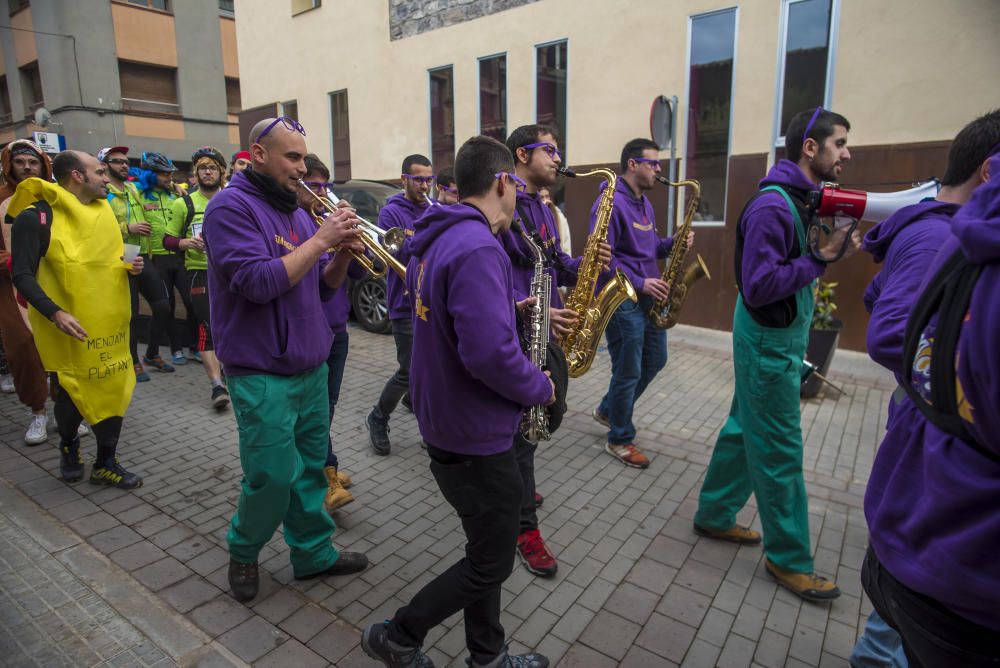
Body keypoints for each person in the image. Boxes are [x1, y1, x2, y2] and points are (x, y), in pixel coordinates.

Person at [361, 135, 553, 668]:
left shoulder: (439, 238)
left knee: (483, 551)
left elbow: (449, 318)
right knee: (492, 562)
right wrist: (540, 387)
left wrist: (506, 305)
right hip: (476, 434)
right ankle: (398, 635)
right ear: (502, 182)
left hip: (447, 422)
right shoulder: (477, 247)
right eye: (513, 184)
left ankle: (487, 656)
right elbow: (487, 356)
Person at [850, 109, 1000, 667]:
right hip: (938, 546)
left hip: (926, 522)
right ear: (990, 172)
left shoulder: (947, 234)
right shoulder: (939, 233)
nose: (846, 155)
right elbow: (889, 334)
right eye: (838, 144)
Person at [693, 107, 859, 602]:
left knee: (746, 426)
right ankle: (789, 561)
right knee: (781, 450)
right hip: (769, 341)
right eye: (840, 143)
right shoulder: (772, 207)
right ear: (811, 147)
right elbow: (761, 284)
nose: (847, 153)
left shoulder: (800, 198)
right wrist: (820, 258)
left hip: (771, 337)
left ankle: (715, 515)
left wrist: (825, 252)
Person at [204, 117, 368, 602]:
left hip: (309, 365)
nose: (301, 167)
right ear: (258, 154)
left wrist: (341, 255)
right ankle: (244, 550)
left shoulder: (297, 213)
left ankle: (314, 553)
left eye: (303, 157)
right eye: (291, 157)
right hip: (260, 370)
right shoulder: (229, 208)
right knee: (271, 476)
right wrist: (321, 240)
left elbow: (320, 286)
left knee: (310, 470)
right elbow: (256, 282)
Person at [497, 124, 609, 578]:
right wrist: (532, 311)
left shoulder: (544, 208)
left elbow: (554, 263)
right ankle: (524, 529)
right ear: (522, 155)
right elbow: (496, 274)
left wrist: (587, 262)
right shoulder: (502, 206)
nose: (558, 159)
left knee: (536, 425)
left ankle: (517, 485)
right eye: (550, 150)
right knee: (523, 436)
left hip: (544, 330)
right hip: (516, 332)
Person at [10, 150, 144, 488]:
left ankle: (106, 463)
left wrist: (129, 267)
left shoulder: (103, 213)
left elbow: (107, 263)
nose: (106, 178)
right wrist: (55, 313)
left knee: (113, 387)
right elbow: (22, 275)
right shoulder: (36, 217)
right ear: (77, 176)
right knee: (72, 394)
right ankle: (69, 445)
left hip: (111, 326)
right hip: (68, 327)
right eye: (99, 172)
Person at [591, 138, 693, 469]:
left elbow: (647, 249)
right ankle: (619, 438)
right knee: (629, 369)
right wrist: (639, 281)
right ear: (632, 164)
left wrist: (672, 243)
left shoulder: (644, 204)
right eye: (654, 163)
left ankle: (609, 410)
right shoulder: (609, 203)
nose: (660, 170)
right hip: (622, 298)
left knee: (656, 359)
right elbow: (601, 259)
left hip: (649, 297)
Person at [296, 153, 359, 512]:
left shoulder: (328, 221)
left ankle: (323, 466)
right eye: (314, 185)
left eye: (325, 185)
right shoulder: (302, 226)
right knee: (317, 412)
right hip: (313, 330)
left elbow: (362, 274)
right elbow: (318, 283)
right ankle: (325, 473)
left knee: (328, 407)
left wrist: (353, 249)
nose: (322, 192)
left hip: (339, 329)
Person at [365, 154, 432, 455]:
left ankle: (412, 400)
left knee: (427, 367)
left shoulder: (435, 210)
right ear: (404, 179)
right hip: (404, 303)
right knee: (407, 370)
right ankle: (378, 417)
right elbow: (398, 253)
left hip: (431, 300)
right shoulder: (391, 214)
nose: (425, 185)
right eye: (418, 179)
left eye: (429, 179)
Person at [163, 146, 230, 409]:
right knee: (207, 326)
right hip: (199, 273)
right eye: (202, 168)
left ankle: (230, 370)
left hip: (230, 272)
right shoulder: (184, 204)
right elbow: (166, 239)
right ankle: (217, 387)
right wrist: (186, 243)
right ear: (196, 173)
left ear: (221, 172)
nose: (207, 172)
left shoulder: (232, 198)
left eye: (212, 167)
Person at [101, 146, 172, 383]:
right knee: (130, 314)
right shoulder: (103, 193)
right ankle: (133, 361)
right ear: (105, 165)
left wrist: (175, 188)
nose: (123, 165)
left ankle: (152, 354)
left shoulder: (132, 188)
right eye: (116, 161)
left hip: (142, 253)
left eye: (125, 161)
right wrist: (126, 228)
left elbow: (152, 185)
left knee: (162, 306)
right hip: (121, 257)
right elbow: (98, 225)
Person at [0, 139, 54, 445]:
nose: (27, 168)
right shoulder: (0, 199)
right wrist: (14, 261)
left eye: (33, 162)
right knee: (22, 347)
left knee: (59, 344)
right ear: (9, 165)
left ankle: (67, 409)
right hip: (10, 287)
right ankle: (37, 412)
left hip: (51, 282)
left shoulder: (54, 198)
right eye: (20, 162)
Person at [136, 152, 191, 370]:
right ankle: (175, 348)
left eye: (170, 173)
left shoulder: (175, 196)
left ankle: (194, 345)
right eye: (163, 174)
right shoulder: (139, 195)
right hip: (154, 258)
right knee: (165, 306)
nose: (169, 177)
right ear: (150, 174)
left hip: (178, 256)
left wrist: (181, 192)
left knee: (189, 302)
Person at [538, 186, 571, 256]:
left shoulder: (559, 215)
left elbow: (566, 242)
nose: (545, 200)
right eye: (542, 197)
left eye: (547, 196)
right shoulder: (536, 214)